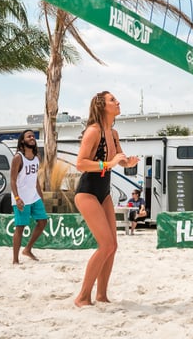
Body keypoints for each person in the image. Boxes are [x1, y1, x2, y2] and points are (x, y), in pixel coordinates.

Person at [73, 91, 139, 307]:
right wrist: (107, 164)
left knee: (113, 246)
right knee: (106, 244)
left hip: (104, 192)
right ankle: (83, 296)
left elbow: (119, 160)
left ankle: (101, 295)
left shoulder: (113, 133)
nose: (118, 101)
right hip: (87, 191)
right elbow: (81, 163)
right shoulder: (93, 131)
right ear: (101, 106)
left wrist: (128, 162)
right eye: (112, 100)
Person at [10, 130, 48, 264]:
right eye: (29, 136)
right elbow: (13, 180)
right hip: (21, 198)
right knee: (20, 227)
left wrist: (41, 195)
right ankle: (15, 260)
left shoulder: (37, 157)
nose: (32, 138)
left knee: (43, 221)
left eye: (33, 136)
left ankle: (28, 249)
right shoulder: (18, 157)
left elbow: (35, 179)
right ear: (22, 141)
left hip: (34, 196)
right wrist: (16, 198)